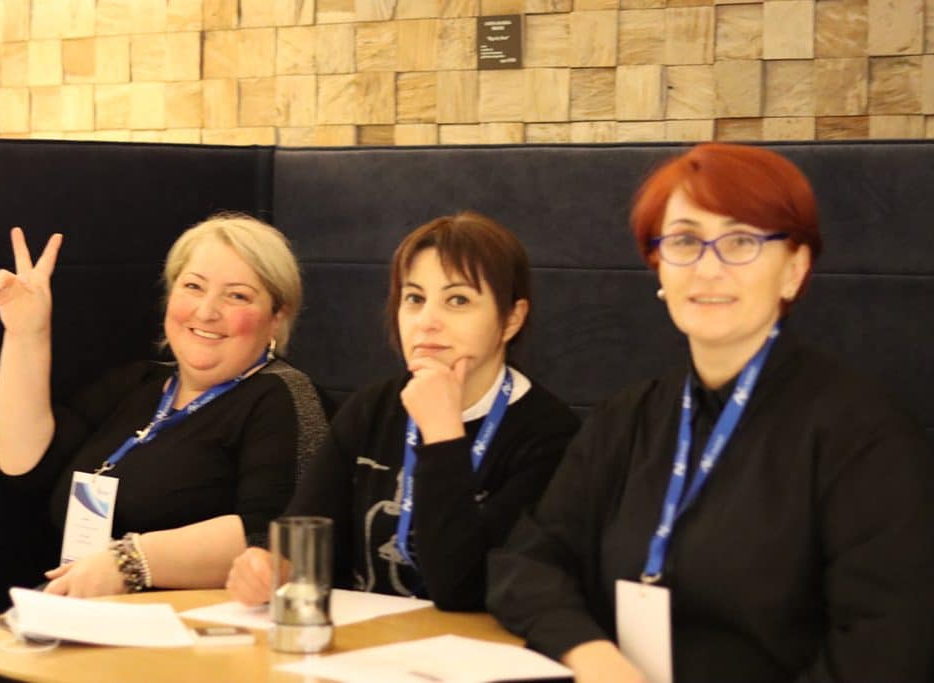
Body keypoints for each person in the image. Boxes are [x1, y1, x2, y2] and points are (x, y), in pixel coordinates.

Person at [486, 143, 934, 683]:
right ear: (659, 268)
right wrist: (593, 657)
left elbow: (885, 649)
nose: (708, 268)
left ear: (794, 270)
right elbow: (525, 565)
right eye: (684, 241)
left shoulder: (863, 436)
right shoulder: (627, 419)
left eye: (741, 240)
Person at [226, 211, 580, 610]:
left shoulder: (551, 436)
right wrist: (271, 568)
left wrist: (442, 434)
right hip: (365, 636)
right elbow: (304, 538)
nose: (427, 322)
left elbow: (463, 590)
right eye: (414, 298)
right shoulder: (371, 408)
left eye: (458, 300)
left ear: (511, 319)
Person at [0, 212, 328, 597]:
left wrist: (130, 561)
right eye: (193, 286)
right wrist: (26, 333)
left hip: (196, 625)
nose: (206, 311)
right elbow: (23, 461)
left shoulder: (282, 395)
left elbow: (278, 534)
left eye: (237, 295)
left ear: (277, 318)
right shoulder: (139, 383)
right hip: (83, 611)